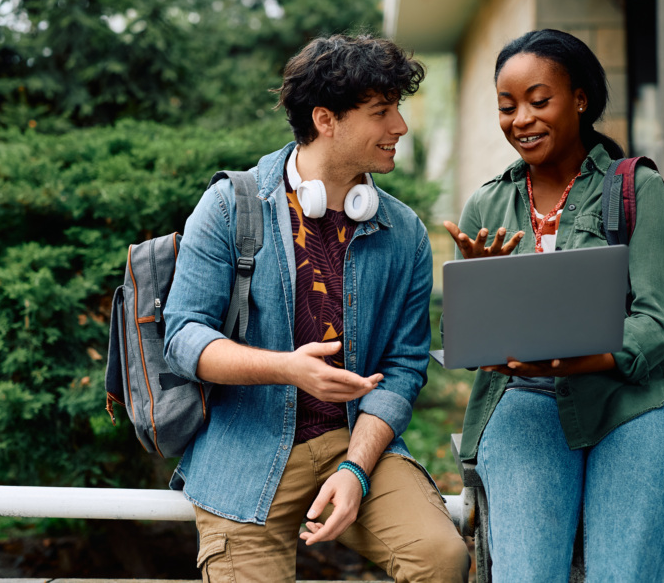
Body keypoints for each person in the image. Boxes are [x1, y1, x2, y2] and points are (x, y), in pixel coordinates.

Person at [164, 34, 471, 583]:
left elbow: (403, 369)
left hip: (355, 442)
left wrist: (356, 467)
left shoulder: (403, 232)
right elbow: (183, 337)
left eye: (397, 108)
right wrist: (286, 368)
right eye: (381, 112)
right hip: (245, 451)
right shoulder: (228, 206)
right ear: (326, 119)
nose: (399, 126)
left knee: (441, 558)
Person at [445, 29, 664, 582]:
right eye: (507, 107)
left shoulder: (637, 188)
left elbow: (658, 323)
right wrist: (476, 296)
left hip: (633, 403)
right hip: (525, 403)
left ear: (580, 99)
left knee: (625, 574)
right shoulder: (486, 203)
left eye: (539, 100)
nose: (521, 120)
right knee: (527, 574)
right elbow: (465, 339)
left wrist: (576, 362)